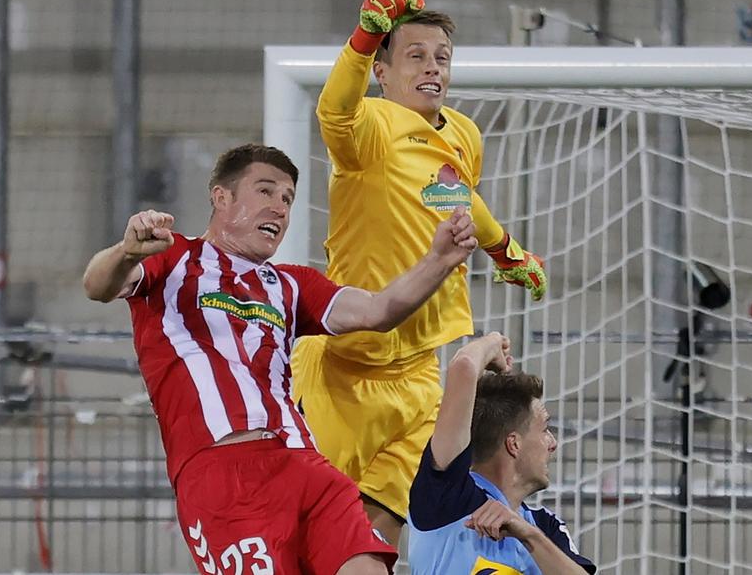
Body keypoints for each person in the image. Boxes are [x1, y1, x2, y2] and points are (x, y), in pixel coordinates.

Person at [82, 143, 478, 575]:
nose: (279, 207)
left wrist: (440, 260)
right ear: (221, 197)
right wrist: (126, 251)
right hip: (223, 473)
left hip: (303, 462)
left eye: (287, 198)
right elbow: (98, 285)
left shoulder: (291, 284)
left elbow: (379, 311)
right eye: (265, 191)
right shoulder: (173, 256)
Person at [291, 0, 549, 544]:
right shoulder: (371, 128)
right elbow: (333, 111)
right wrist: (362, 35)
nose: (433, 68)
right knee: (301, 532)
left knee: (380, 533)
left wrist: (505, 250)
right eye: (415, 56)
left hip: (418, 378)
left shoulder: (463, 134)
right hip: (347, 370)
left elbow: (459, 197)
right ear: (381, 71)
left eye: (442, 57)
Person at [407, 332, 595, 574]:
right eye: (546, 429)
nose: (553, 443)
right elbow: (464, 366)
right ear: (513, 444)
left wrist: (526, 534)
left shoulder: (544, 525)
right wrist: (494, 343)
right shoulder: (448, 493)